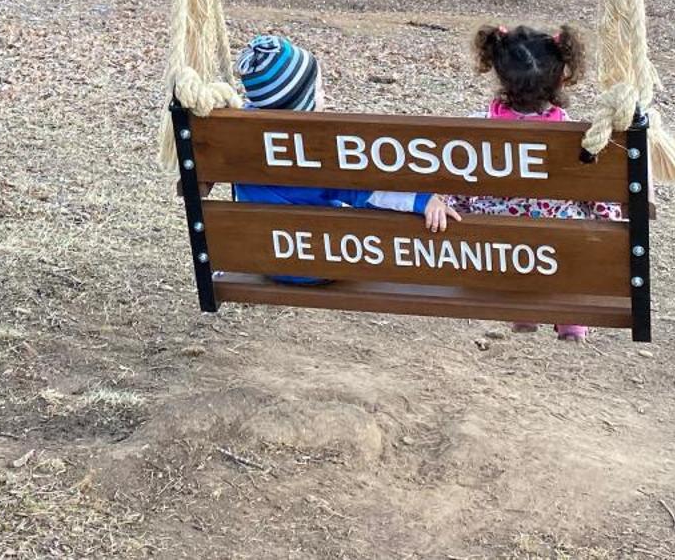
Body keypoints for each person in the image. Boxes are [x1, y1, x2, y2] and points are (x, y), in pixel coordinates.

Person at [232, 36, 458, 283]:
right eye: (318, 90)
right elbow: (367, 194)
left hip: (263, 255)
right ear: (302, 104)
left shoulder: (240, 134)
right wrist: (422, 202)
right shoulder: (318, 150)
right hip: (316, 264)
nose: (324, 94)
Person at [450, 23, 622, 341]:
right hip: (559, 247)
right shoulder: (578, 138)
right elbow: (596, 197)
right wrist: (612, 223)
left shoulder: (474, 131)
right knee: (575, 227)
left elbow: (457, 192)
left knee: (505, 226)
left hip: (496, 249)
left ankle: (523, 310)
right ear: (560, 77)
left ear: (500, 75)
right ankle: (571, 319)